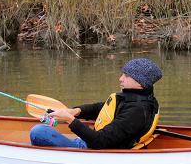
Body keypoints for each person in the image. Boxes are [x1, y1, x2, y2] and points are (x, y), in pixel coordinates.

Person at [30, 58, 162, 149]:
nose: (120, 78)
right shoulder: (135, 97)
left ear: (140, 82)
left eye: (126, 76)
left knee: (38, 132)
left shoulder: (136, 111)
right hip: (96, 142)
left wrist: (70, 120)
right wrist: (75, 112)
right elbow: (102, 108)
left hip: (94, 147)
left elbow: (99, 142)